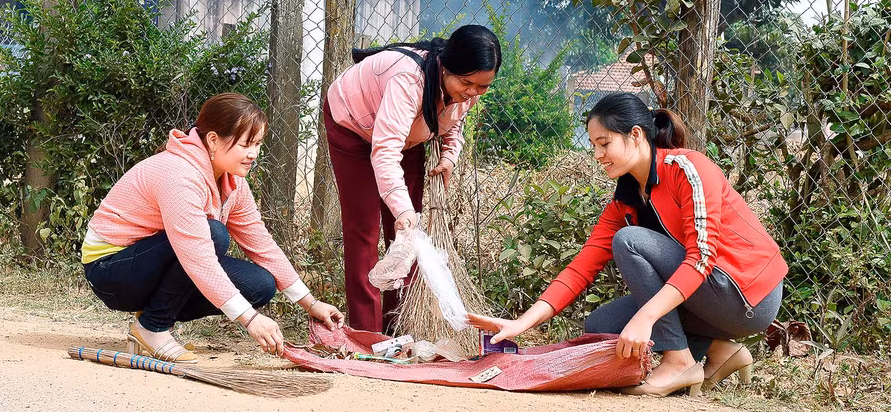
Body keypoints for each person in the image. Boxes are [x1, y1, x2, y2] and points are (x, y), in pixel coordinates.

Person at [469, 92, 787, 397]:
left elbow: (701, 258)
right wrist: (520, 323)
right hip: (709, 298)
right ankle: (722, 351)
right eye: (593, 145)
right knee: (601, 326)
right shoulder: (626, 200)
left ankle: (679, 361)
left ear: (635, 135)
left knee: (630, 241)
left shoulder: (687, 169)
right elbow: (581, 268)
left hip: (748, 295)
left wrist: (646, 318)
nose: (597, 155)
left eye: (604, 143)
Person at [82, 92, 344, 363]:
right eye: (245, 144)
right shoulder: (179, 174)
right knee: (214, 234)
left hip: (149, 263)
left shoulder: (233, 181)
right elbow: (198, 257)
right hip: (109, 270)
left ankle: (149, 319)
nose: (253, 154)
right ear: (213, 140)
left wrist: (310, 303)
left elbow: (261, 243)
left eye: (257, 144)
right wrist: (250, 320)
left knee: (260, 285)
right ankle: (153, 328)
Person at [324, 24, 502, 332]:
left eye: (483, 86)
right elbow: (384, 150)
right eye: (467, 82)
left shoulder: (465, 88)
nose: (473, 92)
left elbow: (454, 120)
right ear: (445, 65)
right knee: (364, 228)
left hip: (406, 134)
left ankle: (398, 327)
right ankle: (367, 333)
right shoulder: (408, 80)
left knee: (407, 232)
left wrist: (448, 157)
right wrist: (402, 210)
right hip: (354, 124)